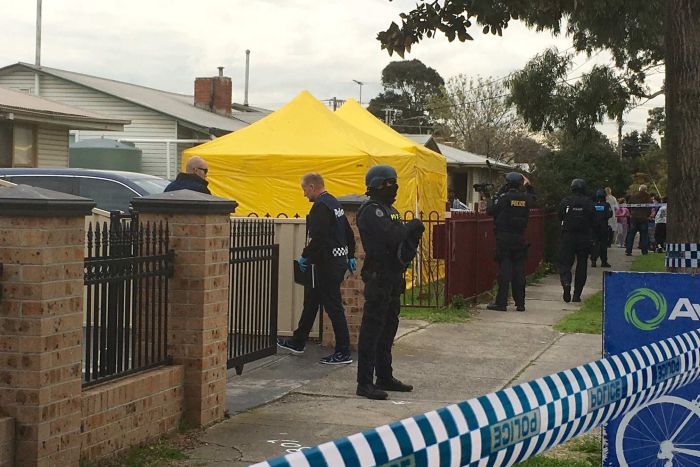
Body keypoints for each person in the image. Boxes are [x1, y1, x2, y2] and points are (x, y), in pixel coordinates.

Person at [355, 165, 424, 400]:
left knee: (388, 330)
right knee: (372, 332)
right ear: (376, 186)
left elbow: (400, 244)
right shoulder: (371, 211)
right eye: (388, 183)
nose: (394, 187)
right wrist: (410, 228)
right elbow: (392, 236)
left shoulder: (389, 209)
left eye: (394, 183)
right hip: (378, 277)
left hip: (393, 277)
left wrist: (411, 236)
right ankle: (364, 383)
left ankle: (384, 376)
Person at [277, 173, 356, 364]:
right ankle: (298, 341)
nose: (304, 195)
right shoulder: (334, 203)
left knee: (334, 307)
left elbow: (318, 238)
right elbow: (348, 232)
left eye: (304, 190)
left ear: (312, 187)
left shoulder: (320, 207)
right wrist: (351, 255)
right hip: (337, 261)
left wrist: (304, 256)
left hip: (327, 264)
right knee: (312, 301)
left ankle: (343, 351)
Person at [485, 172, 536, 312]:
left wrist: (500, 191)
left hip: (504, 239)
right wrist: (529, 186)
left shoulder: (503, 198)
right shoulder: (525, 198)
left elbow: (490, 210)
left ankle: (501, 303)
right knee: (519, 271)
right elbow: (534, 199)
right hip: (519, 238)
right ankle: (520, 303)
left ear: (508, 183)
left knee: (504, 272)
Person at [558, 179, 595, 303]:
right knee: (582, 264)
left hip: (568, 236)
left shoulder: (566, 201)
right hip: (584, 237)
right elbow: (593, 218)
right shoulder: (589, 202)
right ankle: (577, 294)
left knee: (565, 263)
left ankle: (566, 283)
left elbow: (560, 215)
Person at [625, 184, 652, 256]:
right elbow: (649, 207)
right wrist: (647, 215)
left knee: (631, 234)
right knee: (644, 235)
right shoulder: (648, 197)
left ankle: (628, 250)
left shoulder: (634, 195)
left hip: (634, 217)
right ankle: (644, 251)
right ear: (646, 189)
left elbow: (629, 205)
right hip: (643, 217)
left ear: (639, 189)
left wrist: (632, 212)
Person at [590, 189, 613, 268]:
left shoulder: (593, 205)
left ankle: (593, 260)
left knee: (594, 243)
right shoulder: (606, 205)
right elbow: (610, 214)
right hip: (603, 227)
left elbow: (590, 214)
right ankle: (604, 261)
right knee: (603, 244)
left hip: (594, 227)